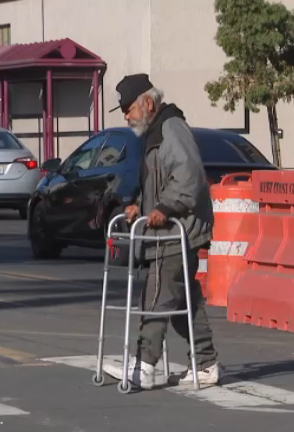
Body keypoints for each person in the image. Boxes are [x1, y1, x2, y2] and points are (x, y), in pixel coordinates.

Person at [106, 73, 221, 390]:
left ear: (147, 102)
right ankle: (206, 363)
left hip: (178, 230)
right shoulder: (154, 132)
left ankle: (147, 364)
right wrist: (140, 208)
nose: (127, 116)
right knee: (184, 301)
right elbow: (157, 182)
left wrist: (164, 209)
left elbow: (188, 176)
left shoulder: (171, 129)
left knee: (156, 297)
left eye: (128, 108)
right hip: (170, 229)